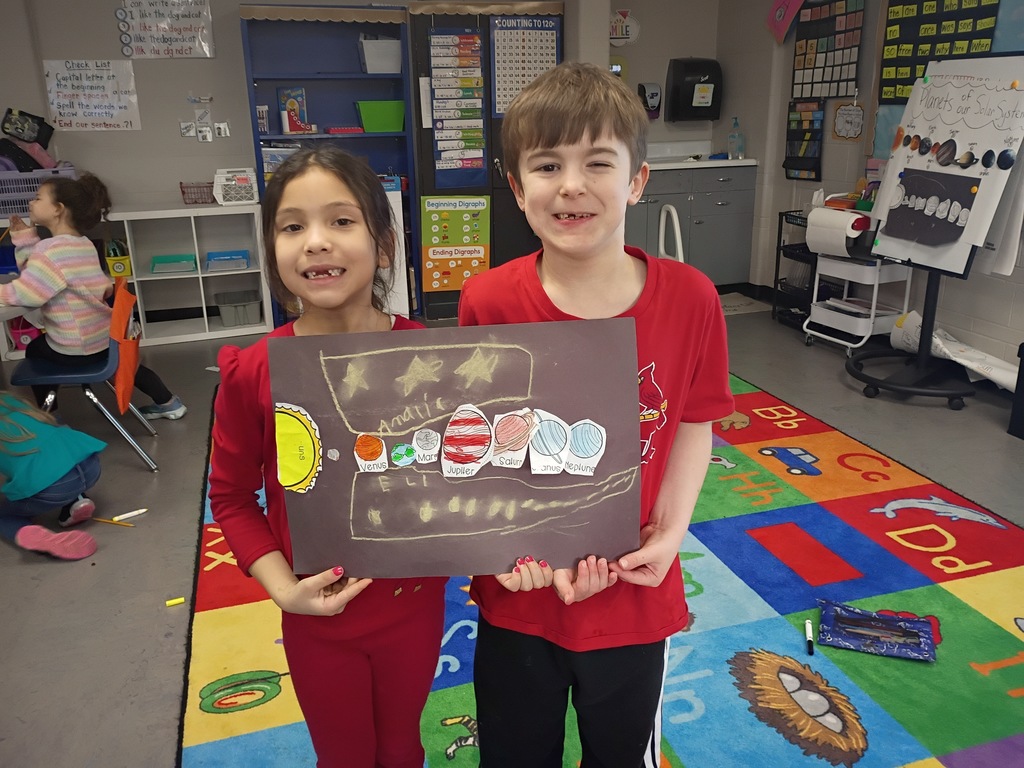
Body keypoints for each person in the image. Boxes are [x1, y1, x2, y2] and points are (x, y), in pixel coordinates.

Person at [457, 62, 735, 767]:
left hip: (634, 593)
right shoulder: (486, 301)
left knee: (620, 756)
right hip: (520, 598)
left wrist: (670, 535)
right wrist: (499, 549)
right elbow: (481, 444)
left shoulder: (692, 298)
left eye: (597, 162)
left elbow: (694, 424)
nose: (572, 185)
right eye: (547, 165)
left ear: (637, 181)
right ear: (518, 189)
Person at [208, 145, 447, 768]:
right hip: (318, 616)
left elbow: (457, 471)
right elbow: (230, 496)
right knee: (342, 757)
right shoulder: (254, 370)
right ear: (273, 249)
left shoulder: (434, 358)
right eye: (293, 226)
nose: (316, 242)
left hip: (413, 608)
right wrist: (284, 590)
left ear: (383, 241)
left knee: (402, 749)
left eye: (341, 221)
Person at [1, 172, 186, 420]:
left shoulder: (51, 250)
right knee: (125, 364)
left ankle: (48, 414)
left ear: (58, 209)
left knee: (35, 350)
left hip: (76, 347)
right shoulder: (82, 244)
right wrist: (26, 239)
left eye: (37, 197)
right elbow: (38, 274)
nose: (31, 203)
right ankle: (169, 402)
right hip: (104, 339)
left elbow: (28, 293)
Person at [0, 389, 104, 560]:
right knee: (56, 462)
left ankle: (29, 532)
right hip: (90, 465)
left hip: (54, 488)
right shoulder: (8, 399)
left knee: (5, 515)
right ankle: (76, 501)